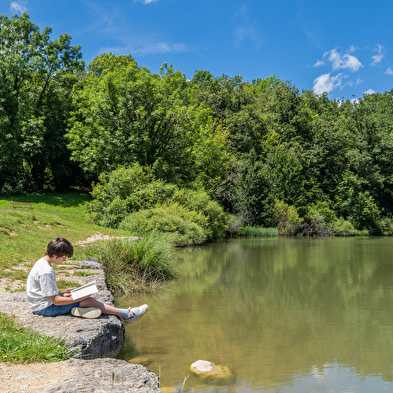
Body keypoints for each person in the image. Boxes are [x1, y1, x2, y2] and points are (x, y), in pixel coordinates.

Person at [26, 236, 148, 323]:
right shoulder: (46, 271)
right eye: (63, 257)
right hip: (44, 309)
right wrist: (77, 297)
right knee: (88, 300)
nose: (65, 260)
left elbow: (46, 292)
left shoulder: (43, 263)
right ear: (54, 255)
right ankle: (127, 314)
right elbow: (56, 301)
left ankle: (81, 308)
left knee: (85, 299)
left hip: (42, 304)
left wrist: (65, 294)